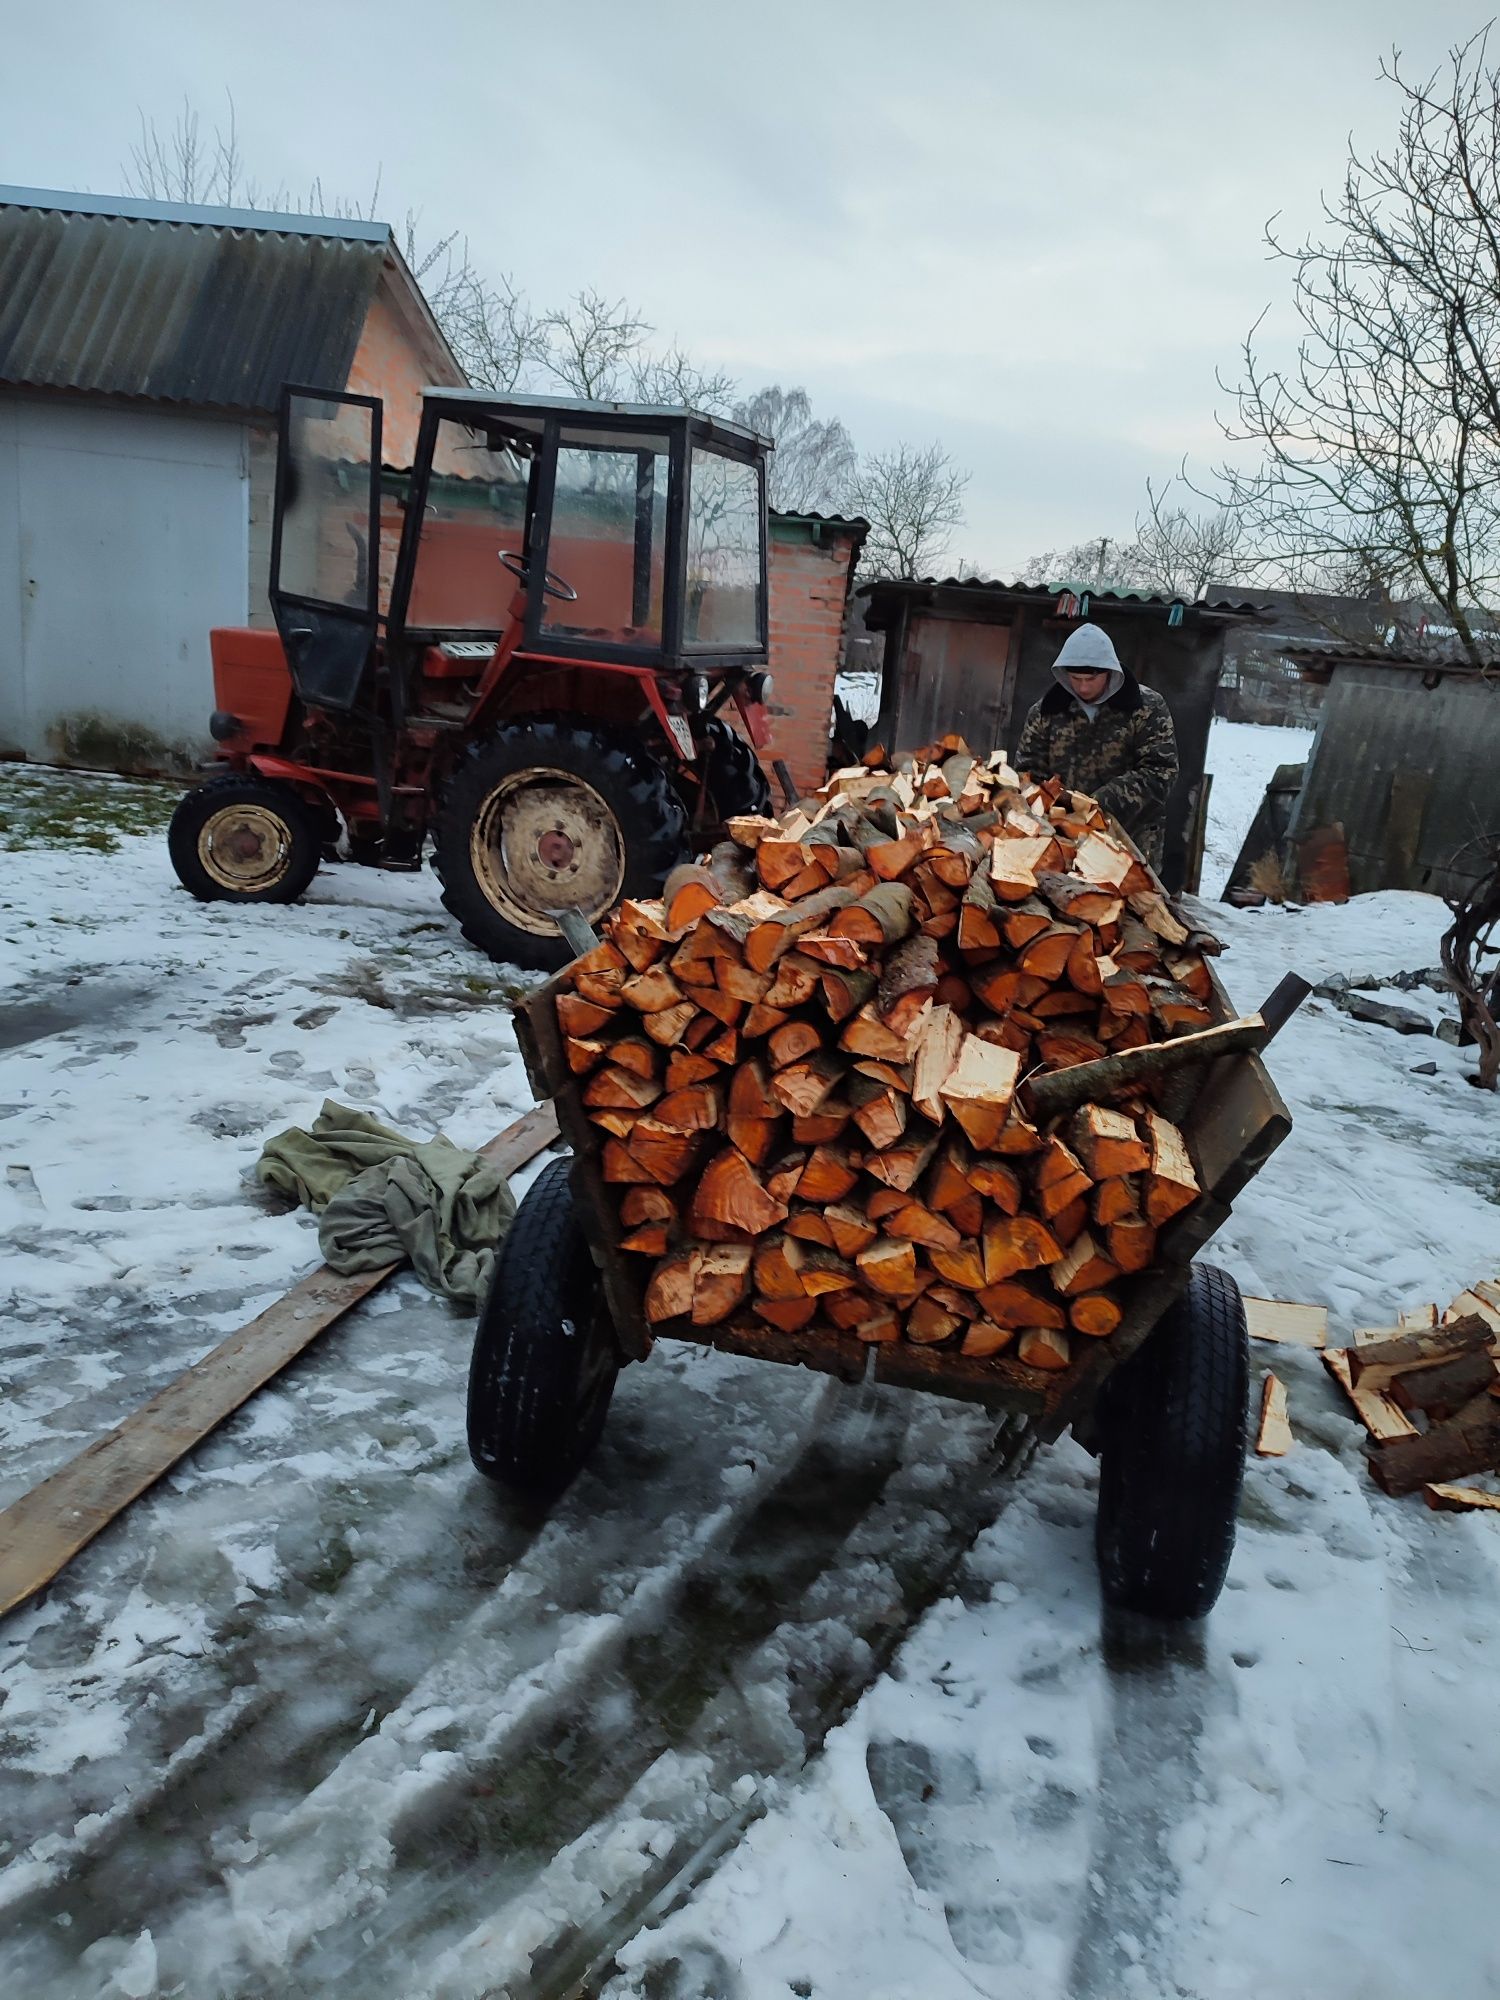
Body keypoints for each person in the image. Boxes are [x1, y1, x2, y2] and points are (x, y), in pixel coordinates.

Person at [1015, 623, 1178, 868]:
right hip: (1062, 840)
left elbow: (1161, 772)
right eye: (1075, 678)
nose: (1082, 687)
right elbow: (1027, 772)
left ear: (1110, 672)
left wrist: (1098, 803)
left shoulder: (1146, 708)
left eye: (1091, 678)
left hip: (1130, 839)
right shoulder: (1046, 711)